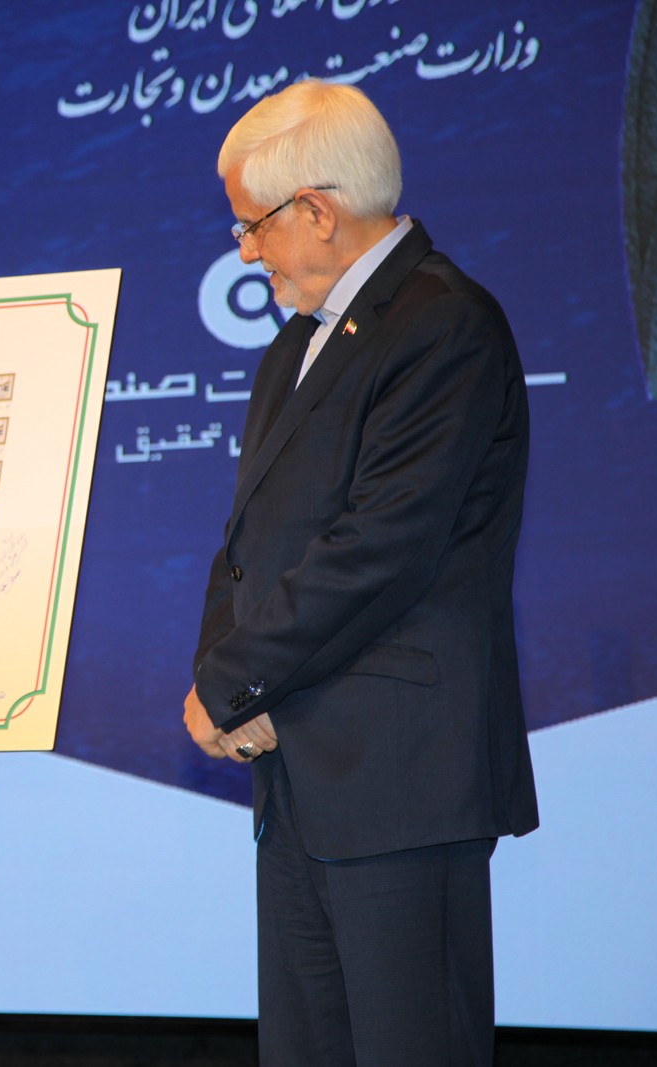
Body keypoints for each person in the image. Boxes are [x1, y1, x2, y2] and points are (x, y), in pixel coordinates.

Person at [183, 81, 539, 1065]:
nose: (245, 252)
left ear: (315, 210)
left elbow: (380, 547)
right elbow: (248, 542)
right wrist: (230, 681)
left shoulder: (443, 323)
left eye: (251, 225)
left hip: (400, 778)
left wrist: (234, 681)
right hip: (298, 774)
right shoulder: (293, 349)